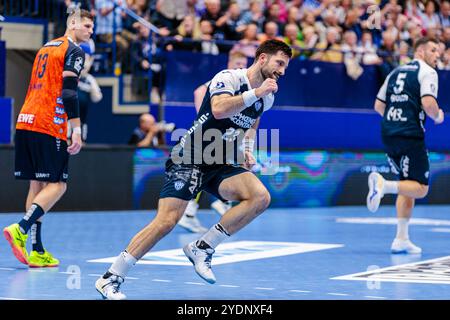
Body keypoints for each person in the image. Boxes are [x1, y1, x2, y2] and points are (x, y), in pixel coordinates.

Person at [96, 39, 292, 299]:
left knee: (260, 197)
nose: (282, 71)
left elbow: (252, 124)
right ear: (262, 58)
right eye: (280, 63)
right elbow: (219, 109)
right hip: (191, 155)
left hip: (221, 162)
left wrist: (247, 148)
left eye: (286, 66)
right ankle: (111, 278)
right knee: (166, 222)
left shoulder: (267, 98)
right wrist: (256, 93)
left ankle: (203, 246)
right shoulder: (229, 77)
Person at [3, 9, 94, 267]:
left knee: (37, 186)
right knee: (58, 185)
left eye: (92, 28)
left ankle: (36, 249)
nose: (90, 31)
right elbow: (68, 93)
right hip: (47, 124)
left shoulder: (46, 47)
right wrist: (75, 128)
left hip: (26, 119)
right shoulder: (74, 50)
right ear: (73, 23)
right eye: (86, 26)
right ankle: (21, 228)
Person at [367, 37, 444, 254]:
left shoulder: (395, 72)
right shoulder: (427, 72)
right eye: (433, 50)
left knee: (407, 184)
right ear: (420, 52)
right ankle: (384, 186)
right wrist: (438, 116)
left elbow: (378, 105)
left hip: (389, 133)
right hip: (410, 133)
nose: (437, 54)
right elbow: (429, 104)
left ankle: (401, 238)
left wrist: (394, 121)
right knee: (420, 188)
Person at [178, 50, 249, 233]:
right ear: (229, 64)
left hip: (227, 134)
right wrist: (204, 117)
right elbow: (199, 91)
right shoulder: (224, 80)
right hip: (210, 133)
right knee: (207, 168)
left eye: (244, 64)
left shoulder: (243, 85)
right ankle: (210, 205)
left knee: (217, 167)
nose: (241, 67)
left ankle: (198, 209)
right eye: (238, 64)